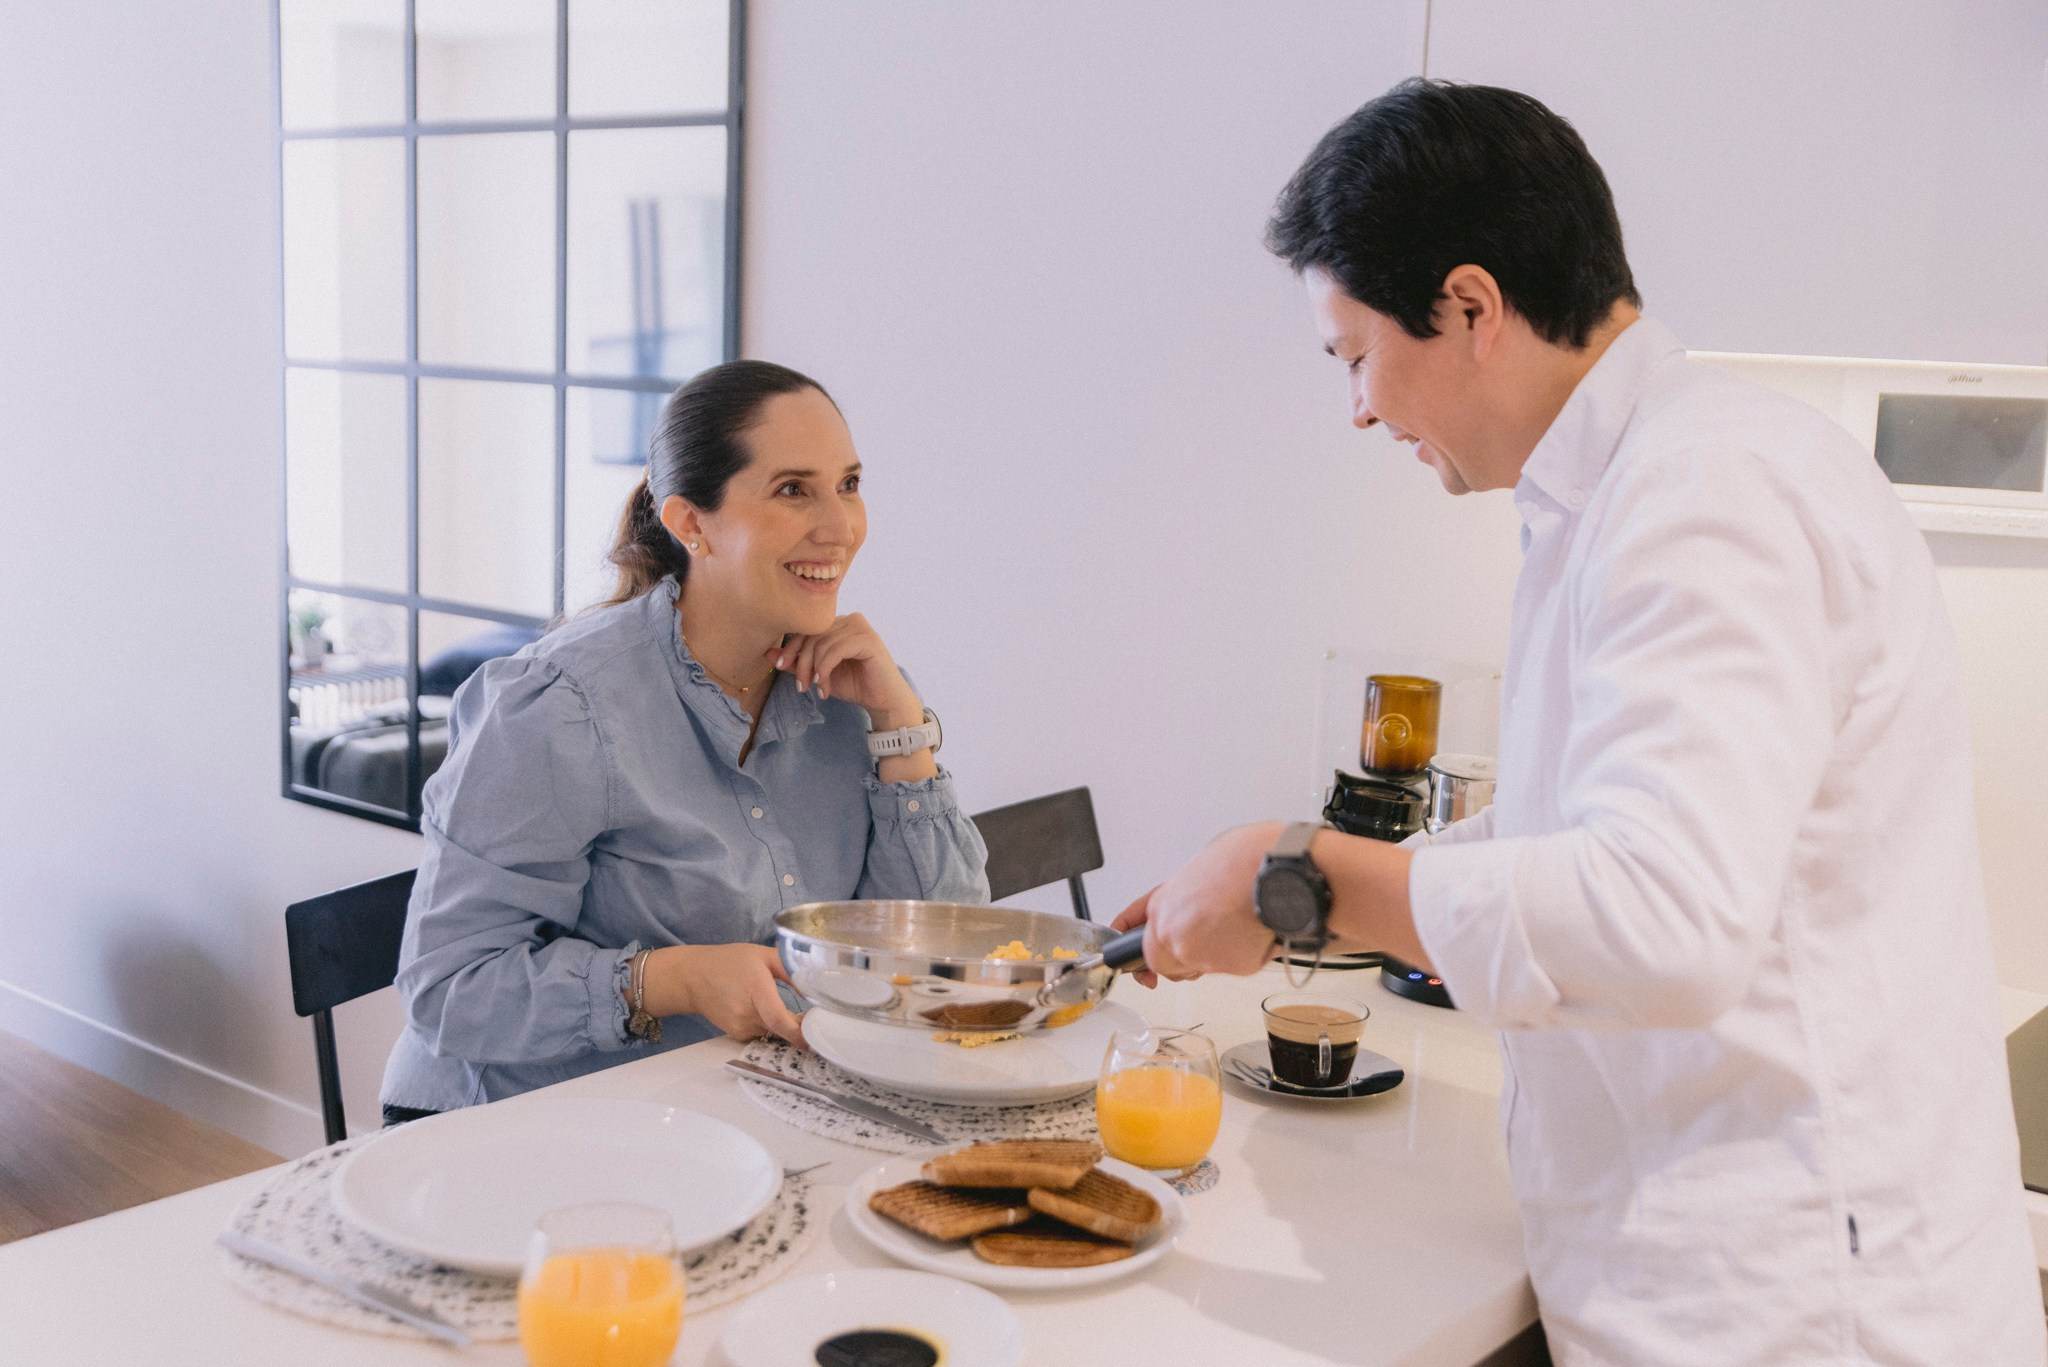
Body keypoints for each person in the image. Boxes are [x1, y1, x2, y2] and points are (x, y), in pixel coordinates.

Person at [1115, 80, 2043, 1363]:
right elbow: (1573, 829)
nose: (1360, 409)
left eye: (1354, 355)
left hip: (1797, 1309)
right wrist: (1267, 871)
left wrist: (1299, 877)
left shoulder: (1702, 493)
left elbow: (1662, 914)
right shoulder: (1629, 487)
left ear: (1470, 307)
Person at [380, 360, 988, 1121]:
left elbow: (938, 960)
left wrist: (902, 730)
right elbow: (450, 990)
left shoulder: (850, 691)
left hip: (722, 1113)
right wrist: (673, 979)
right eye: (793, 489)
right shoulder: (559, 706)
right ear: (690, 523)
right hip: (513, 1127)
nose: (840, 527)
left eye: (850, 484)